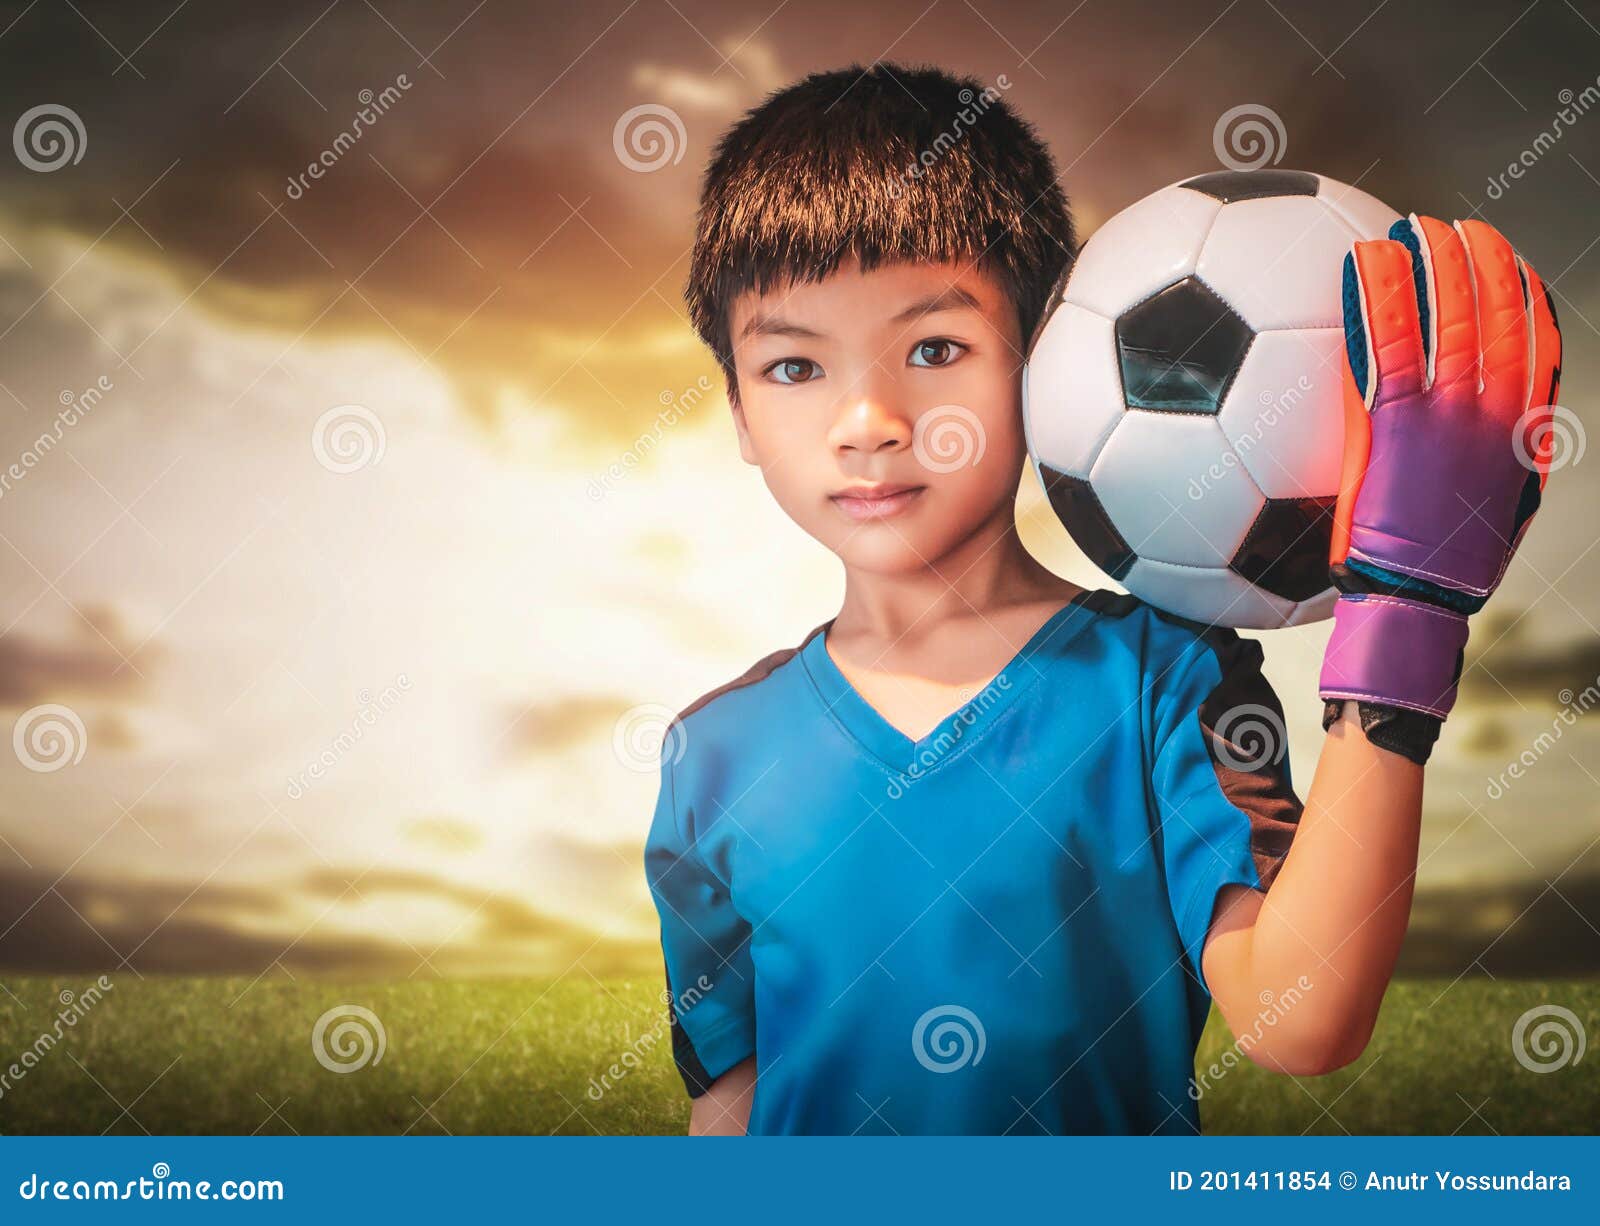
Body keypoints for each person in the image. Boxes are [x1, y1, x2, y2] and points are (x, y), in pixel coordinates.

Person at [643, 62, 1562, 1135]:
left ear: (1043, 363)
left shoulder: (1168, 681)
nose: (870, 419)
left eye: (934, 348)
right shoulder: (710, 752)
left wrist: (1407, 611)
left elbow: (1299, 1020)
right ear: (741, 415)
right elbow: (732, 1096)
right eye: (794, 367)